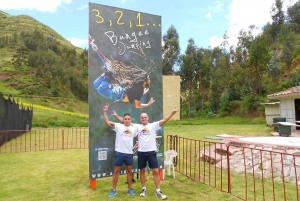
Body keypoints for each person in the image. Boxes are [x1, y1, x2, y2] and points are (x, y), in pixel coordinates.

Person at [112, 107, 179, 199]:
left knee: (155, 171)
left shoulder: (153, 125)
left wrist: (172, 113)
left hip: (151, 152)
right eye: (142, 117)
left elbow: (164, 120)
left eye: (145, 117)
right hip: (141, 152)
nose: (144, 119)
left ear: (148, 118)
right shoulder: (137, 126)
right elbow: (125, 121)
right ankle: (143, 189)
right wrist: (116, 116)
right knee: (142, 171)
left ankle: (158, 191)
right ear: (140, 119)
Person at [103, 103, 138, 198]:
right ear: (123, 120)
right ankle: (113, 190)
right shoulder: (119, 126)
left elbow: (140, 135)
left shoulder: (134, 129)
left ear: (130, 120)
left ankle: (130, 189)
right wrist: (105, 111)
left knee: (130, 172)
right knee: (116, 172)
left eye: (128, 119)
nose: (127, 120)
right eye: (125, 119)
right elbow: (107, 122)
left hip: (129, 153)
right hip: (120, 153)